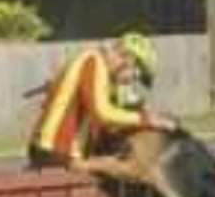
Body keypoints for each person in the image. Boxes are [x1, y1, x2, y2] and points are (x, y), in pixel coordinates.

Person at [27, 32, 179, 169]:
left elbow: (115, 115)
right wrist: (148, 120)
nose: (131, 81)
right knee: (123, 168)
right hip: (54, 150)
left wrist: (143, 115)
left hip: (58, 151)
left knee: (119, 162)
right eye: (136, 75)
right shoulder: (93, 60)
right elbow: (103, 112)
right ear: (128, 60)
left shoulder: (103, 72)